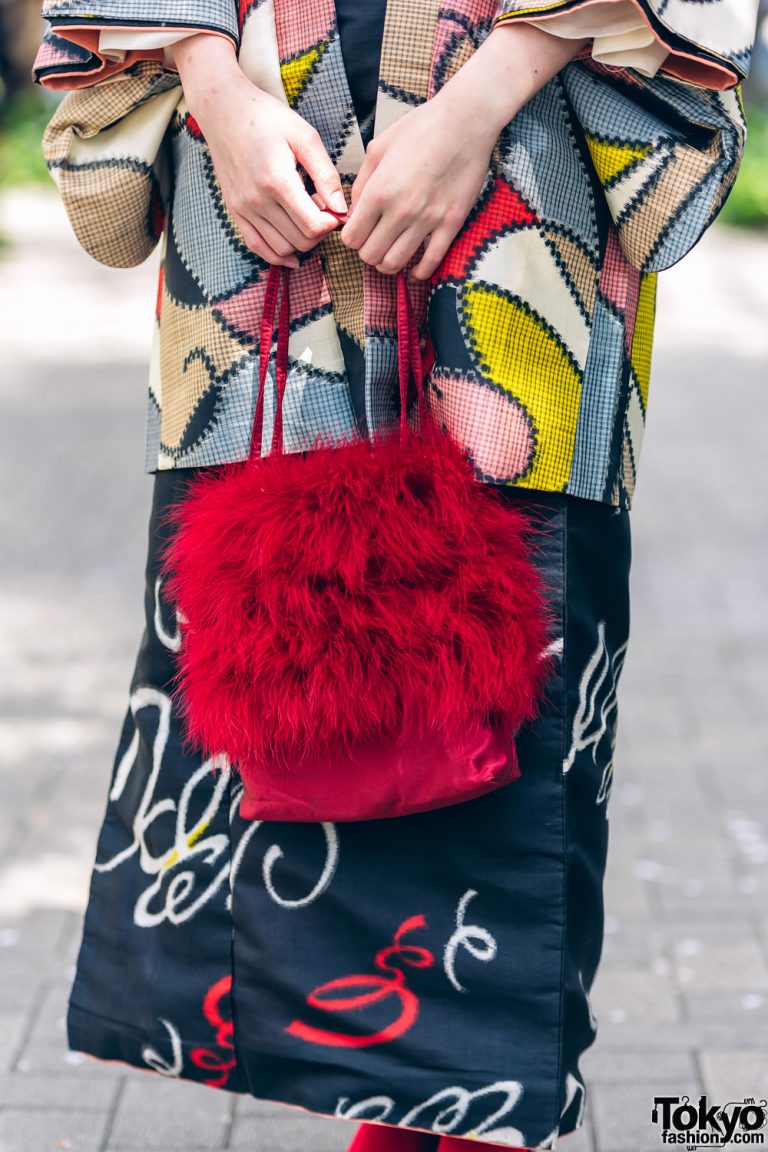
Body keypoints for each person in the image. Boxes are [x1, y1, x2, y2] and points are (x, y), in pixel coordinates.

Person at [33, 1, 756, 1148]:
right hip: (264, 196)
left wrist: (480, 102)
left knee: (506, 838)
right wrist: (217, 95)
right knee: (280, 725)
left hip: (528, 206)